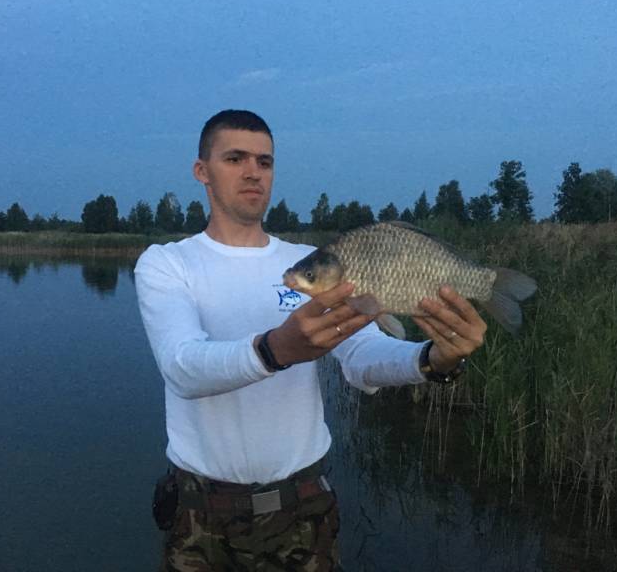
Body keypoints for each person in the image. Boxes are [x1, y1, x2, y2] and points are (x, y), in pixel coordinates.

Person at [134, 110, 487, 571]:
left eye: (265, 161)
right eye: (235, 158)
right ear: (202, 171)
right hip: (200, 516)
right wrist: (276, 349)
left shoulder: (311, 262)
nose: (252, 172)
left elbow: (360, 357)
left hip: (302, 511)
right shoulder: (167, 263)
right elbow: (182, 367)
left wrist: (432, 358)